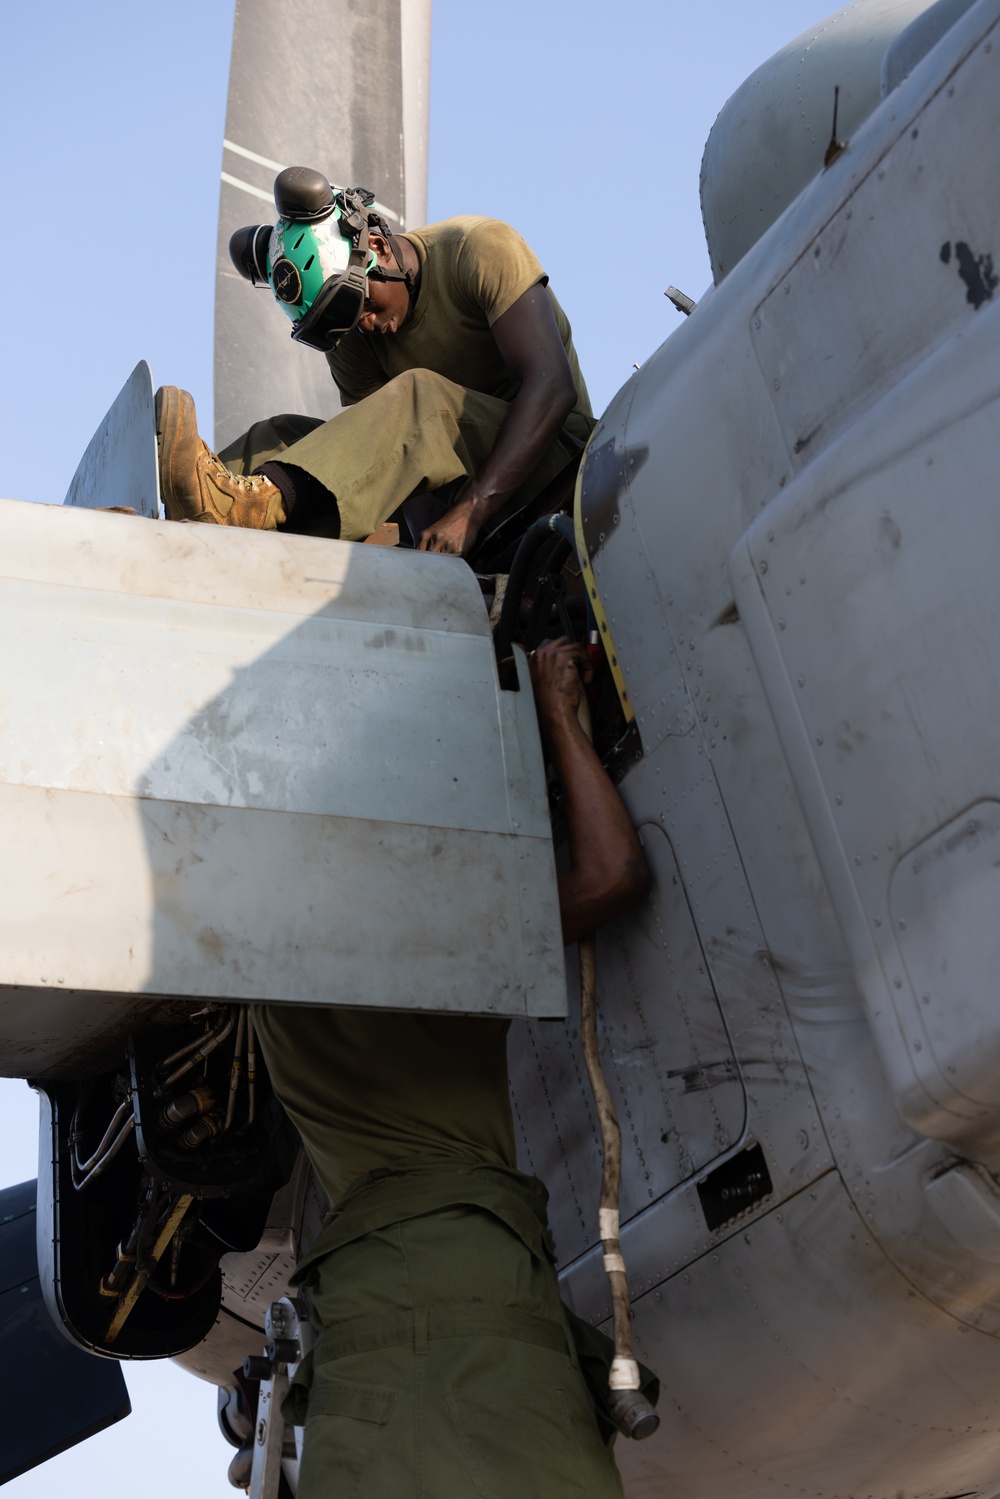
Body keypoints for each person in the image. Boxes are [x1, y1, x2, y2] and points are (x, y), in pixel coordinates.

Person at [251, 638, 651, 1499]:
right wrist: (556, 714)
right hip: (481, 1314)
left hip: (359, 1353)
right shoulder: (434, 945)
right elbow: (614, 873)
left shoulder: (264, 987)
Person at [156, 171, 595, 558]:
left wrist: (470, 511)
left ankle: (246, 507)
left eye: (359, 303)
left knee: (419, 394)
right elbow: (396, 463)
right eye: (340, 324)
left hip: (557, 467)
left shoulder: (477, 248)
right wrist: (429, 544)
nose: (363, 324)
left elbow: (552, 386)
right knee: (277, 438)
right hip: (453, 487)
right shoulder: (350, 336)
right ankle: (180, 520)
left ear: (380, 247)